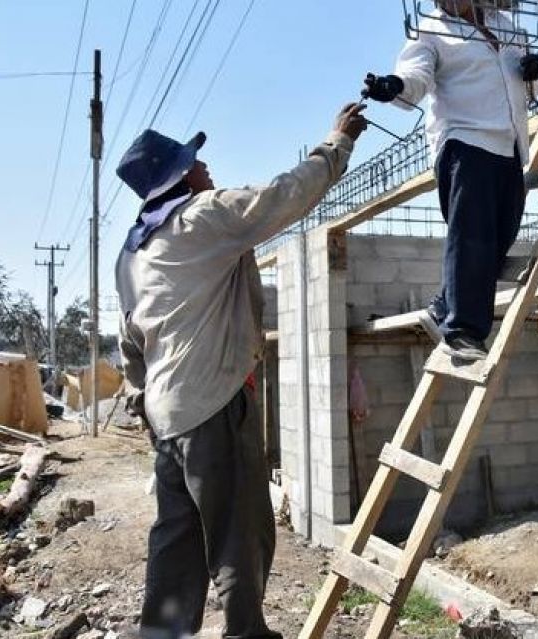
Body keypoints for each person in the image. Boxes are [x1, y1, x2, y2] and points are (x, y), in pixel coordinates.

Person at [113, 102, 367, 638]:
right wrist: (337, 145)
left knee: (177, 540)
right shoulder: (203, 218)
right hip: (212, 407)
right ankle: (247, 633)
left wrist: (142, 402)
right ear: (181, 177)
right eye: (195, 163)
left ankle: (162, 634)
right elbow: (280, 198)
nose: (206, 168)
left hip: (169, 418)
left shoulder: (133, 253)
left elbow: (129, 341)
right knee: (240, 533)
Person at [364, 0, 538, 361]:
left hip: (509, 144)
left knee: (501, 235)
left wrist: (534, 73)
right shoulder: (429, 31)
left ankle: (444, 304)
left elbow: (534, 86)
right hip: (464, 141)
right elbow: (415, 75)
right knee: (472, 234)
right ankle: (462, 333)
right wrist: (394, 85)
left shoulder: (506, 26)